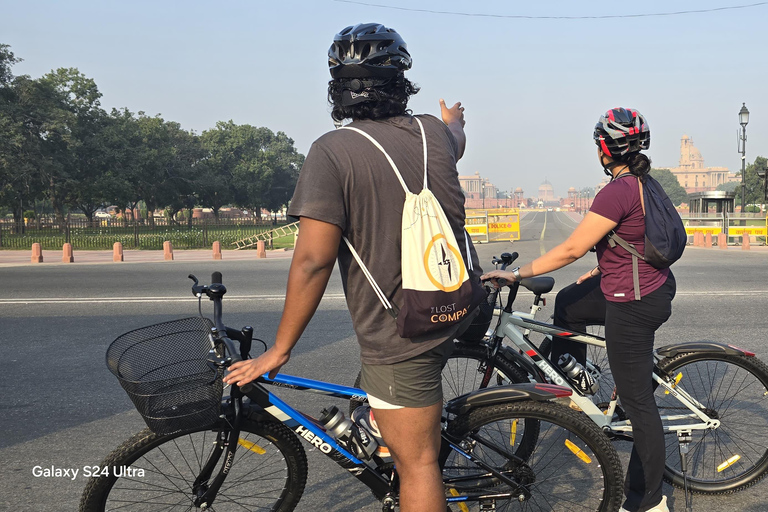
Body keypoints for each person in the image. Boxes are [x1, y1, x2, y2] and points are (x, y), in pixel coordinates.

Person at [223, 23, 482, 512]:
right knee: (387, 410)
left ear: (337, 88)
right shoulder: (432, 130)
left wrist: (279, 350)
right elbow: (455, 137)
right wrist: (455, 119)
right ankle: (393, 431)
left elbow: (313, 260)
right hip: (458, 301)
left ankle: (405, 451)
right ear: (401, 82)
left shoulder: (331, 151)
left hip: (404, 331)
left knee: (419, 468)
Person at [482, 107, 675, 512]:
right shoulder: (645, 183)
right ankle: (577, 384)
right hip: (643, 285)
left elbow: (571, 248)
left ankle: (648, 502)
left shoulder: (617, 190)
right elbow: (634, 238)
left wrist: (516, 274)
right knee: (568, 303)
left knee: (640, 405)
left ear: (605, 149)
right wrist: (605, 267)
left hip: (634, 302)